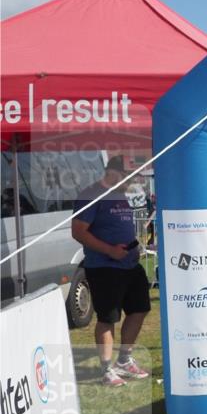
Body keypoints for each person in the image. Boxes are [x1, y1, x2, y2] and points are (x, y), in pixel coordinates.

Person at [71, 156, 151, 387]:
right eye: (128, 176)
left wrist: (133, 246)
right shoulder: (91, 194)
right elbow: (78, 231)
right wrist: (110, 250)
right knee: (108, 317)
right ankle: (106, 369)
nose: (132, 181)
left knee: (140, 309)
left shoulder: (121, 195)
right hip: (103, 266)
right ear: (113, 172)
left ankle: (124, 360)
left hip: (129, 264)